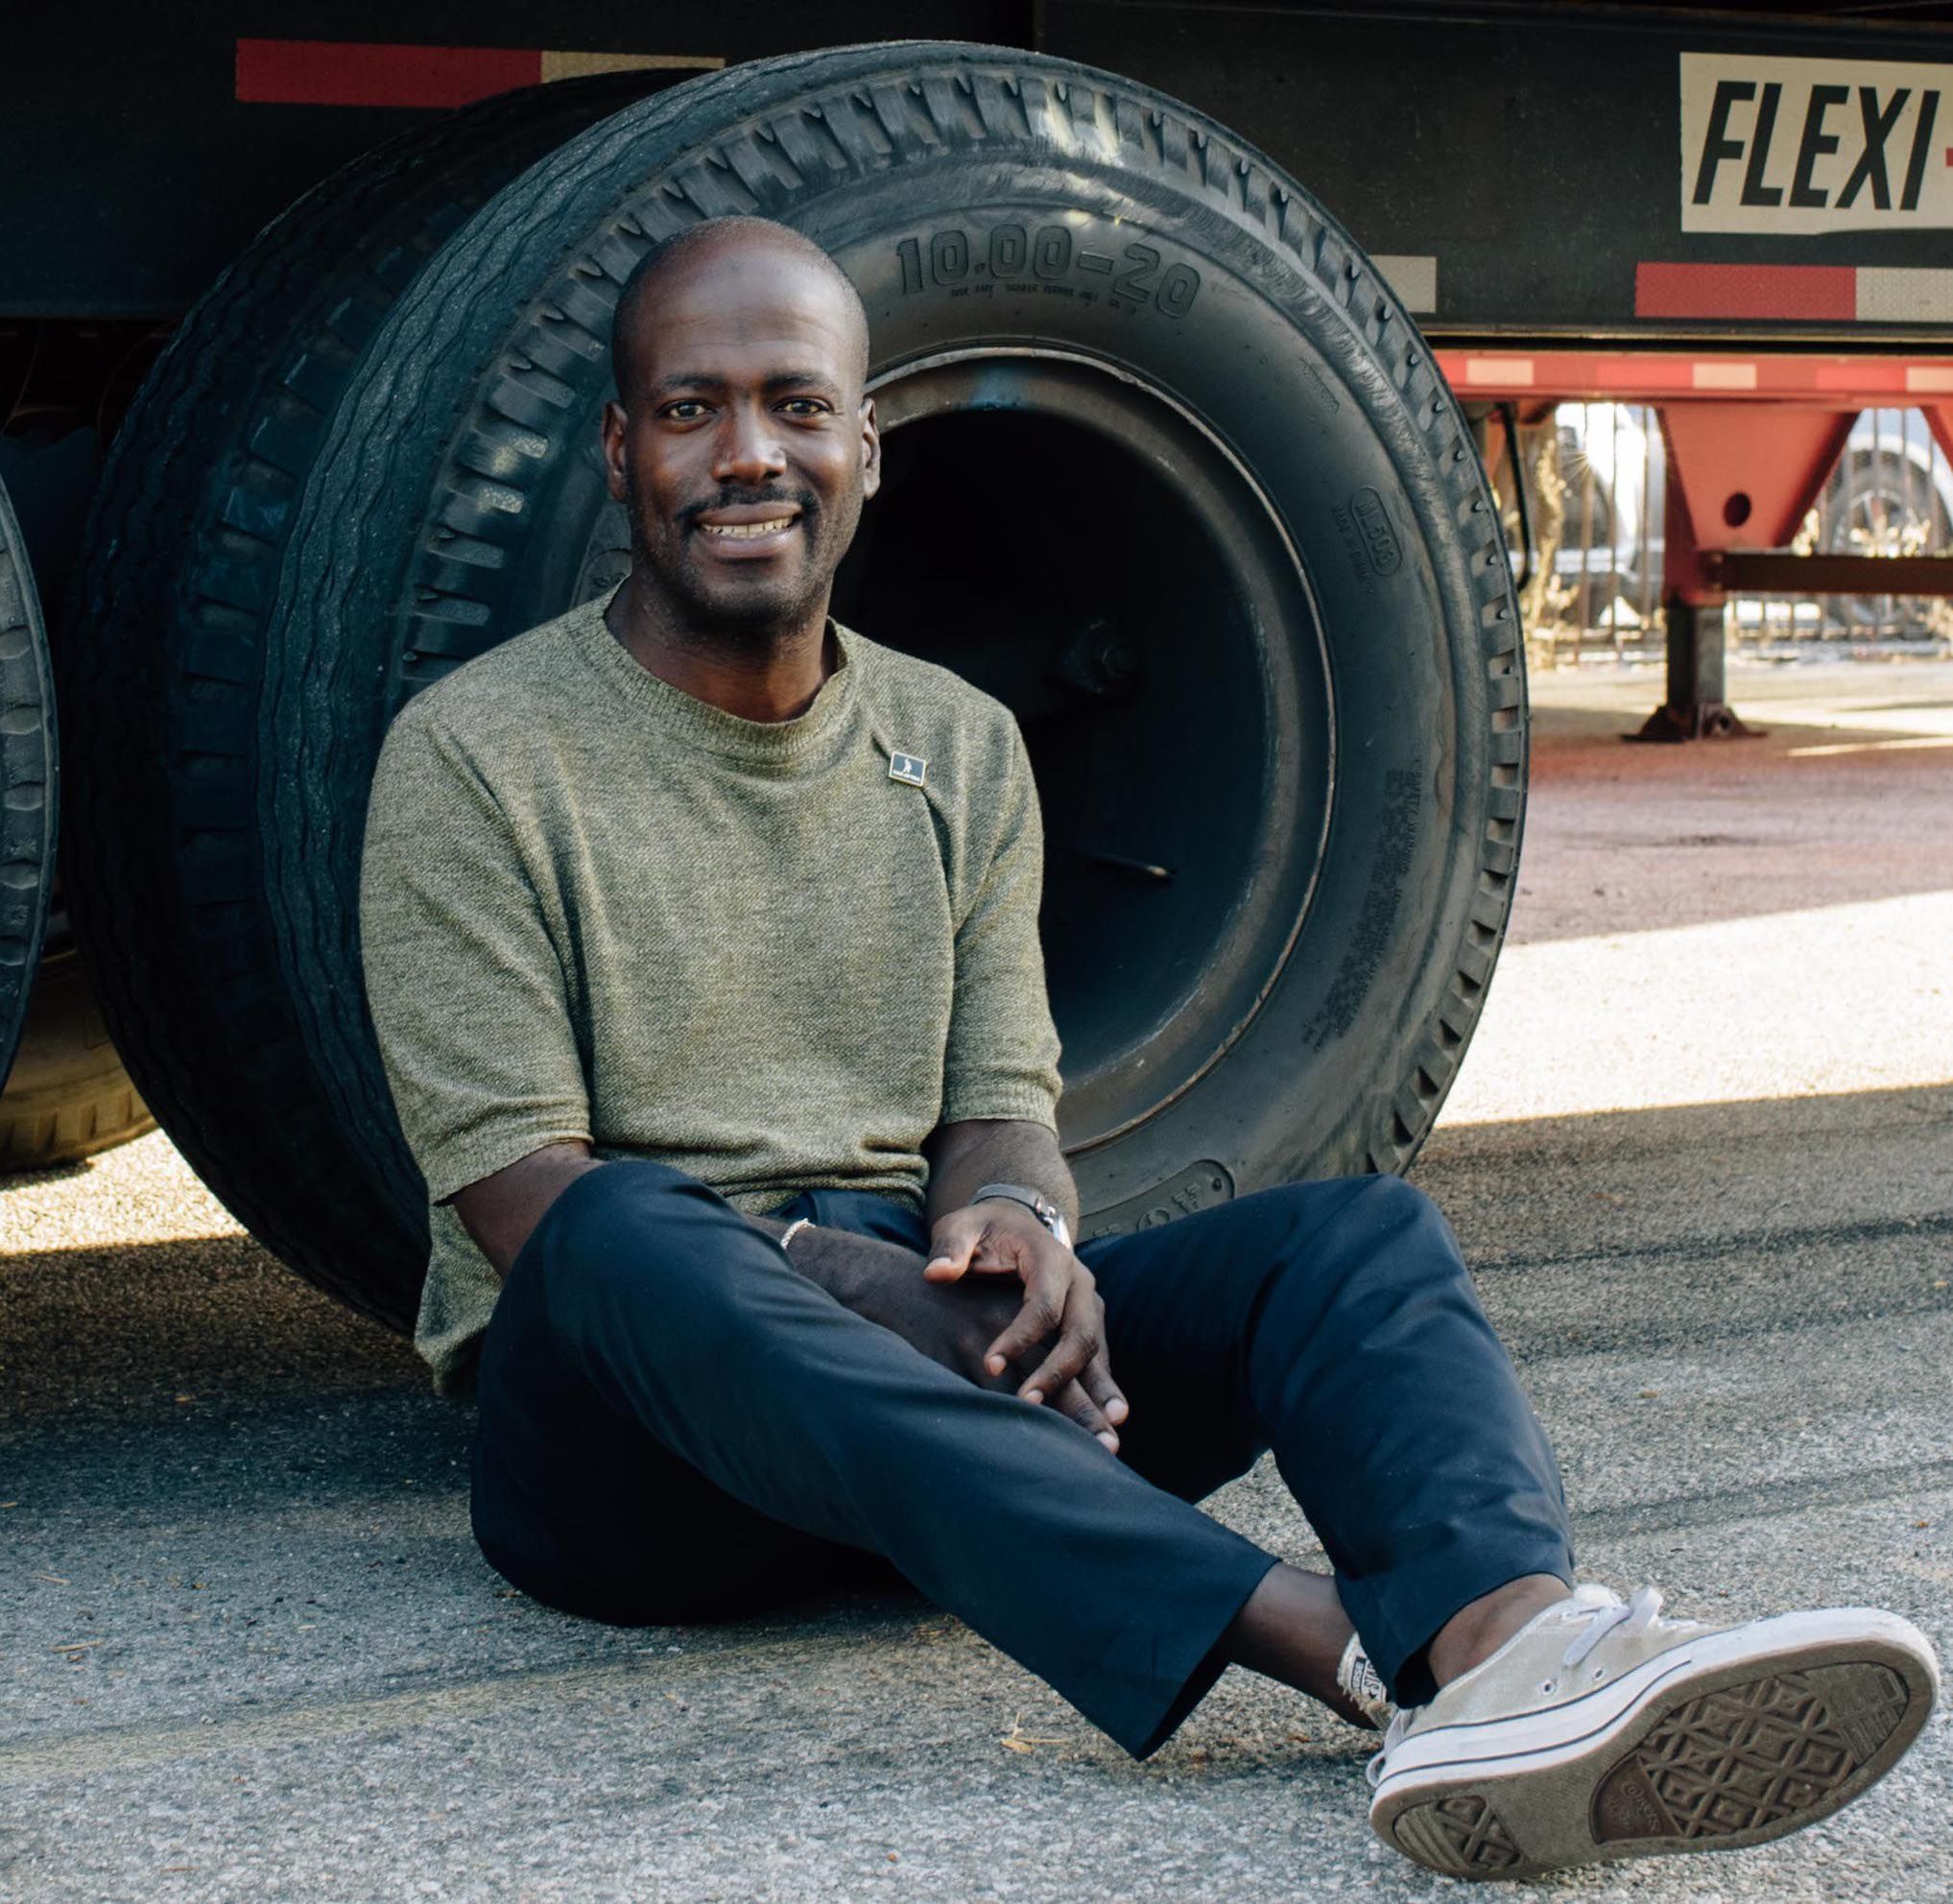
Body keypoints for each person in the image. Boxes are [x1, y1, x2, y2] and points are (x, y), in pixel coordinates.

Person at [357, 215, 1937, 1881]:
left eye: (794, 405)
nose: (749, 454)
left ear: (865, 447)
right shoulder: (476, 759)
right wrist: (849, 1277)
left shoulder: (958, 747)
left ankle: (1512, 1653)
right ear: (621, 450)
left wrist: (1020, 1235)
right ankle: (1339, 1646)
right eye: (692, 411)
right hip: (636, 1451)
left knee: (1354, 1237)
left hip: (929, 1389)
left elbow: (997, 1109)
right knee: (619, 1230)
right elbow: (525, 1200)